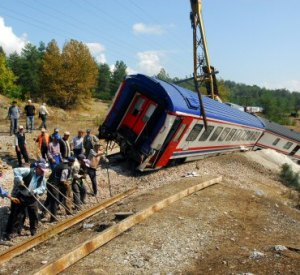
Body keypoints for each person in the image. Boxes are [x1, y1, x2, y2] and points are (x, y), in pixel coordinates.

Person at [4, 162, 47, 239]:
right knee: (18, 214)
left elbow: (43, 188)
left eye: (44, 171)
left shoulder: (42, 177)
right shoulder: (28, 171)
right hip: (22, 195)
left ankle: (33, 230)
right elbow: (16, 170)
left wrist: (35, 191)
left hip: (32, 197)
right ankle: (14, 231)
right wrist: (19, 179)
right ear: (37, 168)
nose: (43, 172)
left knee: (33, 214)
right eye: (41, 170)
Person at [46, 157, 75, 221]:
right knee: (55, 200)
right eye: (73, 162)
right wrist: (68, 187)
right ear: (71, 162)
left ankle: (45, 212)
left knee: (51, 198)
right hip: (53, 185)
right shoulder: (66, 168)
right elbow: (63, 181)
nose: (73, 164)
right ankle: (53, 218)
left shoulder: (61, 164)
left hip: (51, 183)